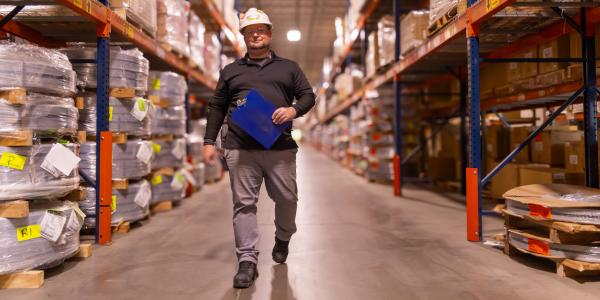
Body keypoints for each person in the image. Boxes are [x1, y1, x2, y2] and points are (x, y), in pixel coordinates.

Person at [202, 7, 316, 289]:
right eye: (249, 32)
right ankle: (247, 261)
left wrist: (292, 111)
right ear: (244, 37)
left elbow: (308, 96)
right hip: (240, 147)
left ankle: (283, 237)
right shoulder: (231, 70)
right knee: (244, 204)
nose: (255, 36)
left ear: (270, 34)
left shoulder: (289, 67)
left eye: (260, 31)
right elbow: (216, 106)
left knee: (287, 199)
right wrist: (208, 142)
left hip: (280, 147)